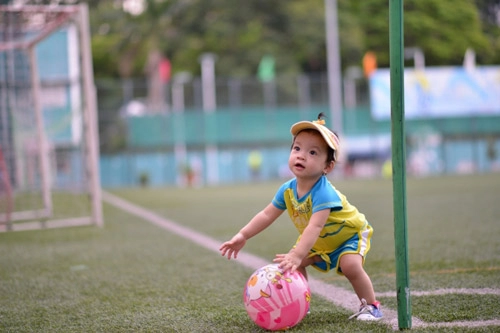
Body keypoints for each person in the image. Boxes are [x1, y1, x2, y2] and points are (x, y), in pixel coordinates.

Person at [219, 113, 383, 321]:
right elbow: (267, 214)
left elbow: (314, 227)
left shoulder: (324, 192)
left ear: (327, 166)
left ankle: (371, 306)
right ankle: (299, 303)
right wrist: (243, 235)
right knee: (294, 264)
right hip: (320, 240)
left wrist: (296, 254)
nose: (302, 156)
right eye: (297, 148)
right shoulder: (287, 190)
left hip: (348, 236)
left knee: (350, 266)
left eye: (313, 152)